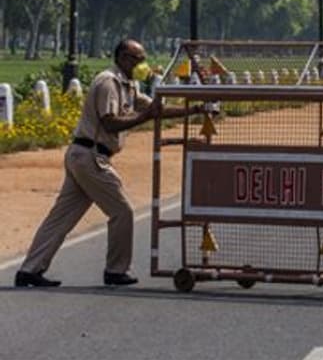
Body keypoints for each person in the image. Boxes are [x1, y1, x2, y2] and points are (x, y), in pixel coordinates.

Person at [14, 39, 209, 288]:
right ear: (123, 58)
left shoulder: (129, 85)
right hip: (91, 156)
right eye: (137, 59)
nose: (142, 64)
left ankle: (29, 270)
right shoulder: (108, 82)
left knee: (61, 217)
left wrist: (194, 110)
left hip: (84, 155)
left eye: (143, 58)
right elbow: (109, 122)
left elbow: (155, 109)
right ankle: (115, 270)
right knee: (122, 211)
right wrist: (143, 118)